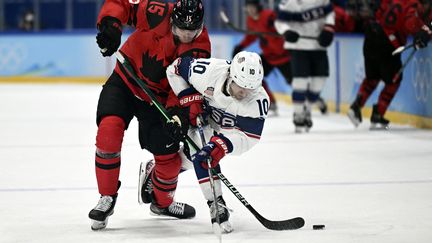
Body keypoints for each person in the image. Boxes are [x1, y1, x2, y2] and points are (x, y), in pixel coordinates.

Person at [88, 0, 211, 230]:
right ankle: (106, 197)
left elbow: (188, 88)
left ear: (201, 26)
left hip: (160, 102)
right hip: (125, 82)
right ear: (172, 18)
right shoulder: (158, 12)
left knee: (169, 161)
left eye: (191, 31)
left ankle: (162, 203)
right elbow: (122, 4)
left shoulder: (200, 49)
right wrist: (111, 26)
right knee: (108, 131)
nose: (185, 35)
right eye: (180, 29)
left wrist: (178, 116)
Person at [139, 51, 269, 233]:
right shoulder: (209, 72)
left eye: (250, 88)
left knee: (196, 157)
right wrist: (189, 98)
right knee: (201, 155)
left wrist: (223, 145)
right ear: (232, 75)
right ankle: (216, 204)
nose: (244, 92)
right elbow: (174, 69)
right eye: (241, 86)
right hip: (196, 118)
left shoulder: (258, 100)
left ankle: (156, 171)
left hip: (223, 132)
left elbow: (249, 137)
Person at [233, 0, 328, 116]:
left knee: (297, 84)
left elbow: (281, 26)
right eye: (248, 7)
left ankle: (317, 100)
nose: (250, 10)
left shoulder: (268, 16)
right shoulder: (251, 20)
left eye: (252, 7)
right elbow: (251, 36)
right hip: (268, 56)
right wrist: (241, 46)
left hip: (283, 57)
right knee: (254, 76)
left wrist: (281, 33)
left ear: (258, 6)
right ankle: (271, 102)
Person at [347, 0, 432, 129]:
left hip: (371, 33)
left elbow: (379, 10)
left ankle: (356, 106)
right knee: (394, 80)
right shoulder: (412, 7)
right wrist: (423, 31)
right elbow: (411, 25)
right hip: (387, 41)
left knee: (373, 77)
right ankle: (378, 114)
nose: (423, 6)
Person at [275, 0, 335, 132]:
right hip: (299, 47)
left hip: (318, 46)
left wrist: (329, 29)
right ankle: (298, 115)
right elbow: (280, 21)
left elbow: (330, 13)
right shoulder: (289, 2)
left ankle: (307, 110)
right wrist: (286, 32)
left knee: (319, 82)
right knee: (300, 82)